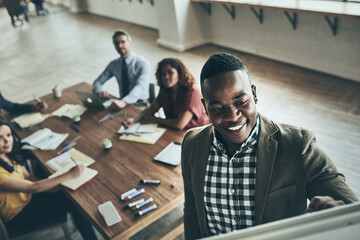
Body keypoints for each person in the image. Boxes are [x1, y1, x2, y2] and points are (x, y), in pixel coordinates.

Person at [181, 52, 359, 239]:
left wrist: (343, 218)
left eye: (241, 102)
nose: (232, 116)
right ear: (205, 107)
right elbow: (192, 210)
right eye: (218, 108)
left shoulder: (298, 146)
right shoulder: (192, 143)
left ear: (254, 94)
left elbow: (351, 211)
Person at [0, 121, 98, 240]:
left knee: (67, 195)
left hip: (29, 198)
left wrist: (50, 188)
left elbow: (28, 177)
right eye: (0, 137)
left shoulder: (8, 154)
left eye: (8, 135)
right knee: (74, 204)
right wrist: (69, 174)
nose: (7, 140)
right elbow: (33, 187)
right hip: (19, 216)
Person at [122, 58, 210, 130]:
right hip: (172, 129)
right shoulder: (166, 89)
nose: (166, 77)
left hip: (195, 133)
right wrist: (134, 120)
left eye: (170, 72)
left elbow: (180, 124)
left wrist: (156, 120)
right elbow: (153, 108)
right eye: (163, 74)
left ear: (180, 74)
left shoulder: (192, 91)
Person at [93, 30, 150, 110]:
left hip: (140, 103)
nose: (120, 46)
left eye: (123, 42)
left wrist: (124, 102)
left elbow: (140, 87)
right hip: (122, 102)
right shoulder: (113, 64)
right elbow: (97, 82)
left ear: (130, 43)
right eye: (116, 43)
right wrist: (99, 91)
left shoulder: (142, 63)